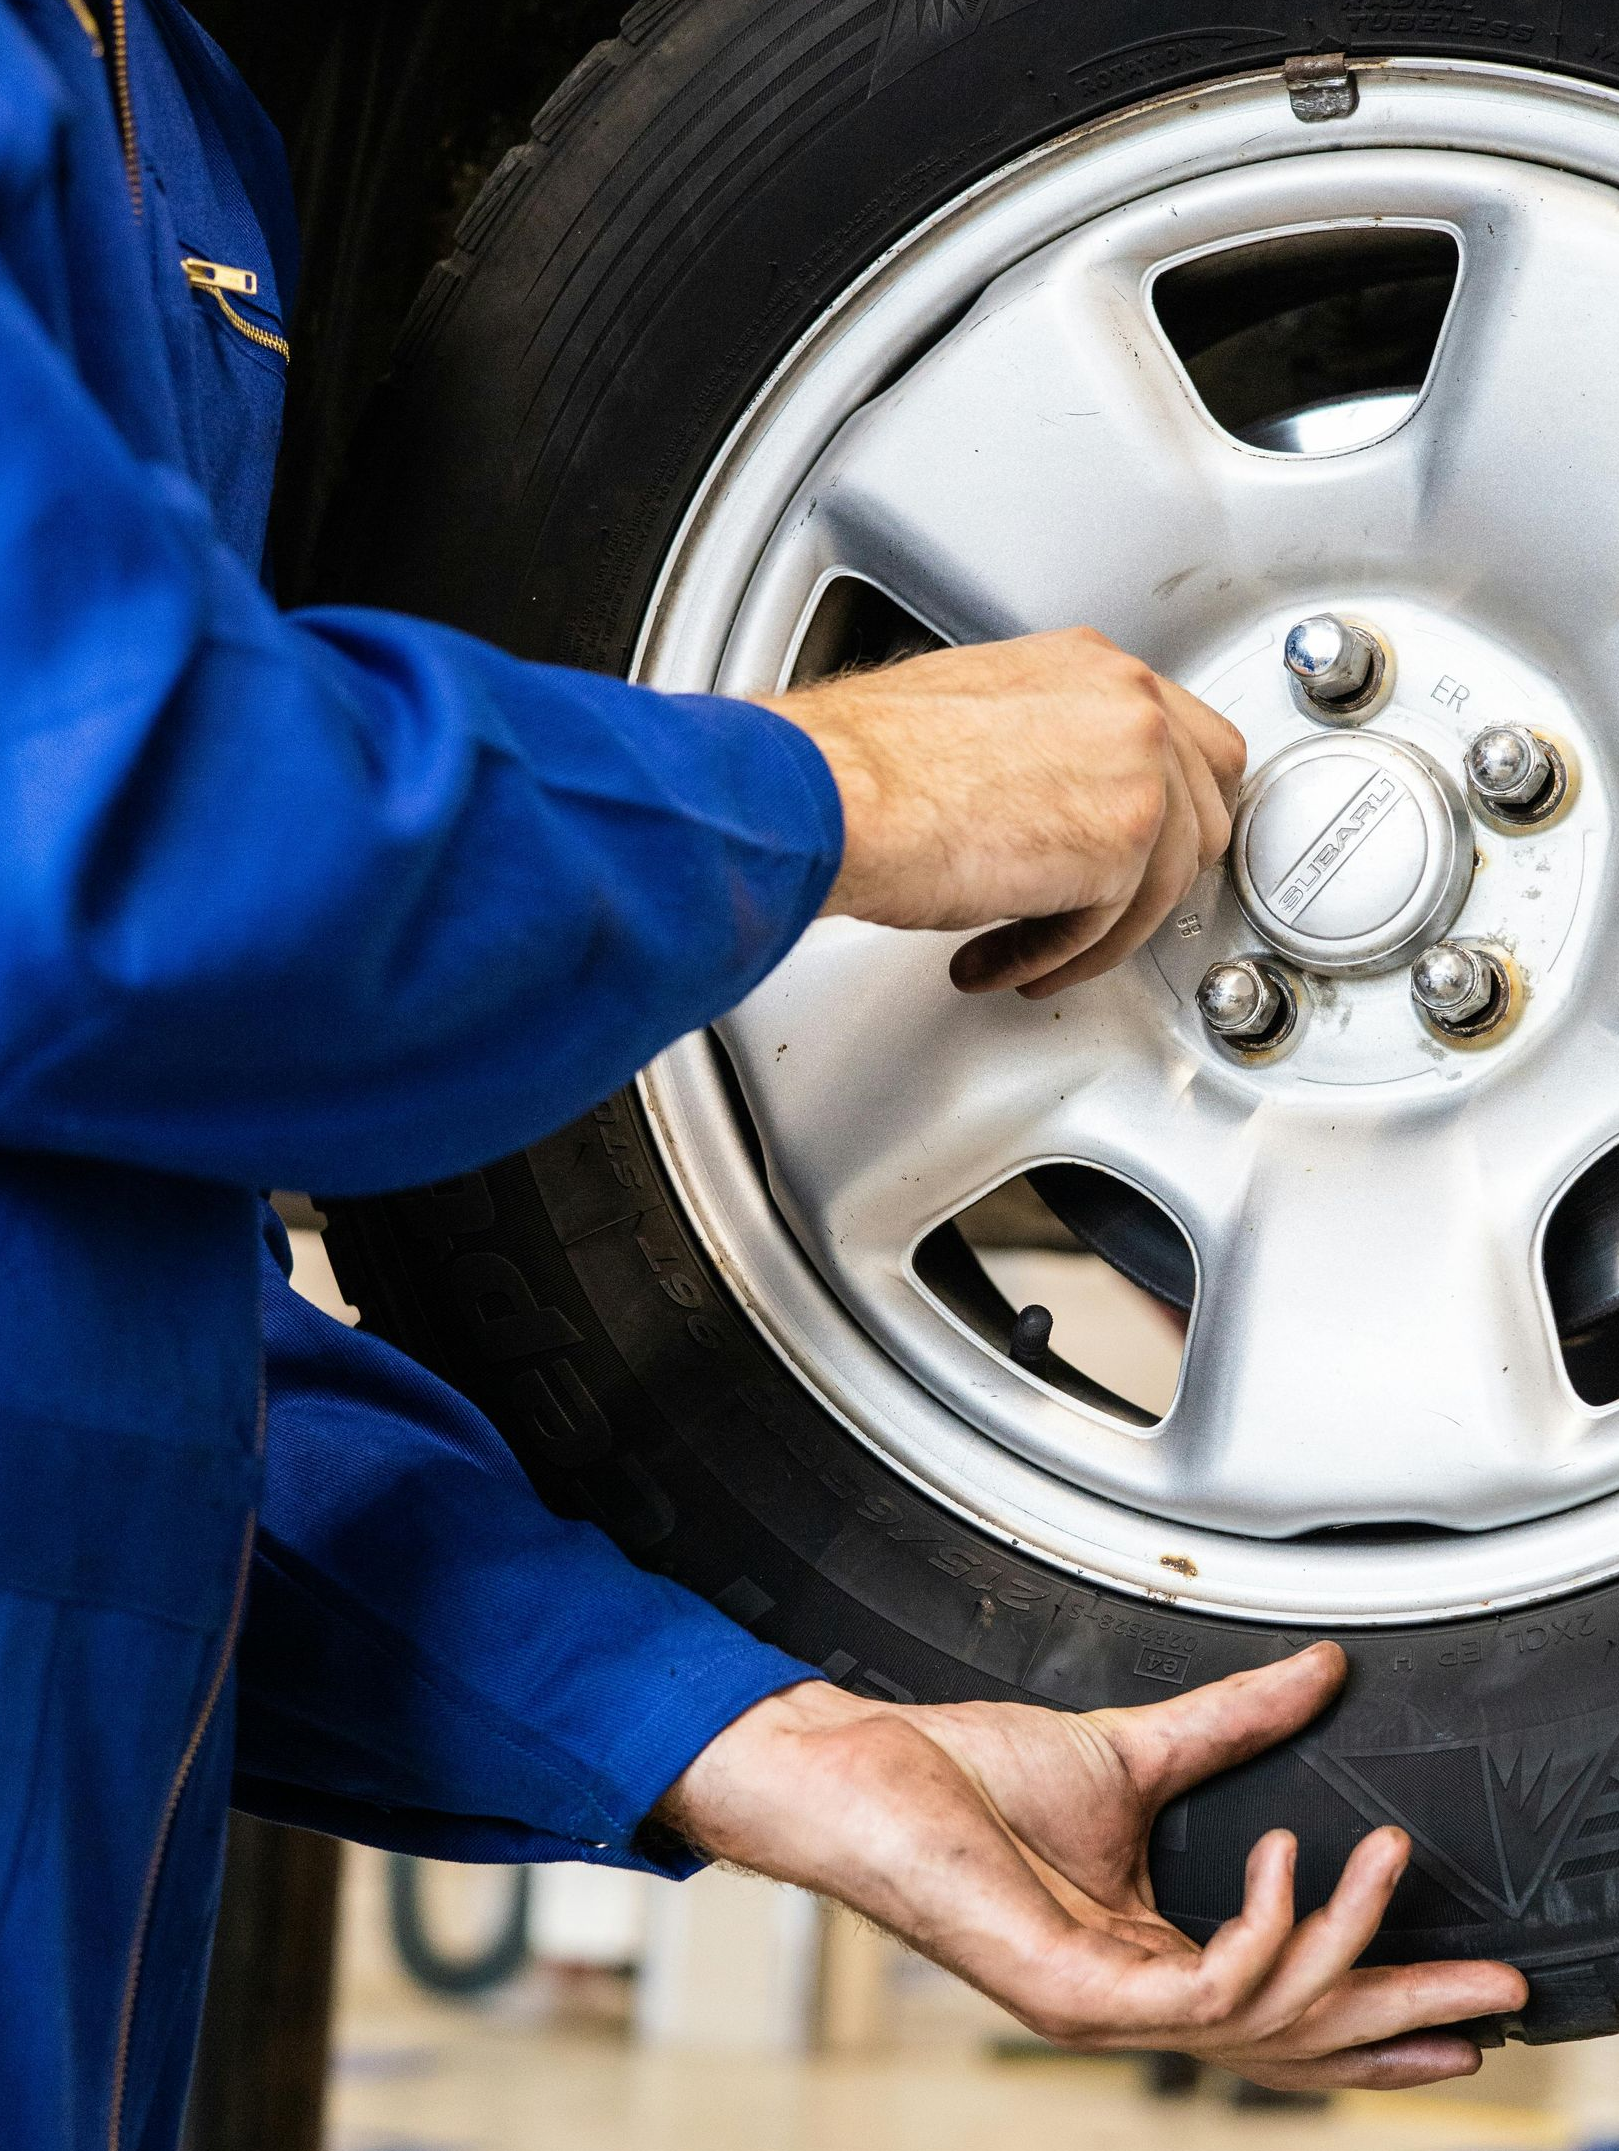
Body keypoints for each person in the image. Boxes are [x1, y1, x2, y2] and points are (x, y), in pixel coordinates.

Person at [0, 2, 1528, 2145]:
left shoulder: (174, 110)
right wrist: (857, 789)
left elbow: (112, 1319)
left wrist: (760, 1739)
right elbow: (89, 832)